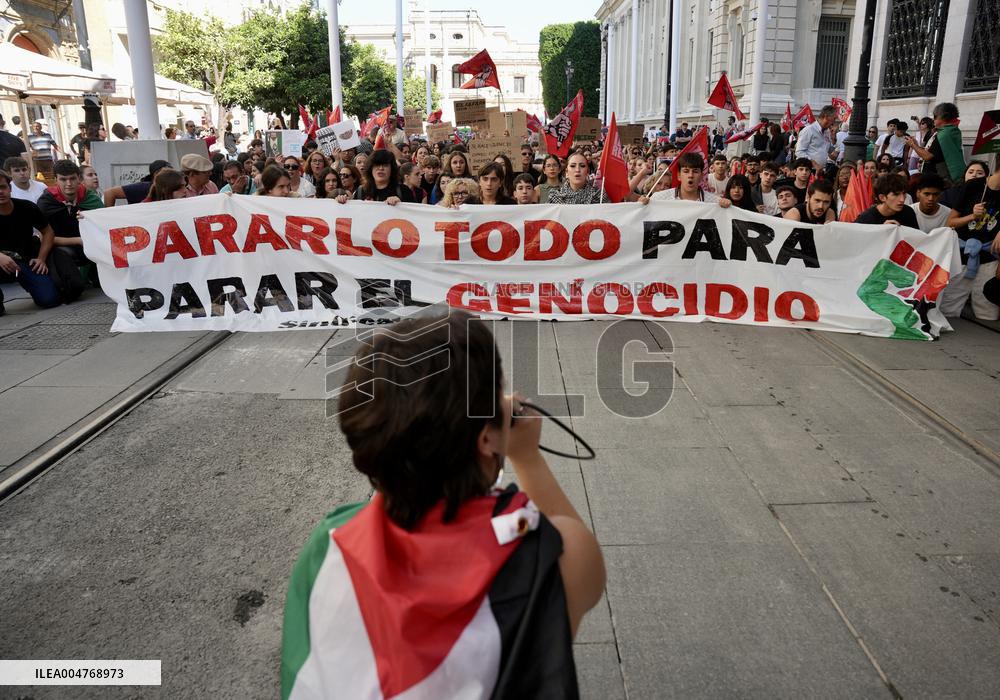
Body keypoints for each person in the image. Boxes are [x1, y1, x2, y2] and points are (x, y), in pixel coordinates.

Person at [280, 311, 605, 699]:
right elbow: (580, 556)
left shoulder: (328, 544)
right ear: (485, 440)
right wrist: (526, 456)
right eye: (496, 389)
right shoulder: (547, 558)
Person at [0, 168, 84, 314]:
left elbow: (48, 231)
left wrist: (41, 258)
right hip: (1, 262)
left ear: (10, 187)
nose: (0, 192)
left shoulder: (26, 207)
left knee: (50, 300)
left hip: (26, 260)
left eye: (2, 187)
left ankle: (32, 283)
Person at [938, 165, 1000, 320]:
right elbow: (950, 223)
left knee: (988, 315)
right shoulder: (973, 186)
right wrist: (972, 216)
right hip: (963, 253)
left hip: (990, 256)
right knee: (948, 310)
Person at [36, 160, 104, 282]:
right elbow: (43, 237)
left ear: (79, 178)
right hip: (61, 247)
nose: (69, 183)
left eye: (72, 178)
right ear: (55, 179)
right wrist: (78, 241)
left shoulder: (91, 198)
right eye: (63, 179)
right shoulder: (46, 202)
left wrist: (88, 220)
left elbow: (104, 227)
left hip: (92, 246)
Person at [651, 153, 720, 203]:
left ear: (701, 176)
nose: (690, 175)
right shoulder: (658, 198)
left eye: (695, 171)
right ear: (679, 175)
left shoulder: (714, 202)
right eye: (686, 171)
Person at [854, 173, 919, 228]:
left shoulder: (908, 213)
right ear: (882, 197)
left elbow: (915, 239)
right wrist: (882, 230)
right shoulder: (865, 219)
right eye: (896, 195)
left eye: (904, 194)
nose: (902, 199)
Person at [103, 160, 171, 206]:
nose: (171, 176)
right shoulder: (143, 187)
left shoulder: (170, 187)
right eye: (169, 173)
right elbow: (109, 193)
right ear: (156, 174)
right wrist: (109, 217)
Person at [795, 105, 837, 171]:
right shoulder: (809, 130)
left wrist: (833, 138)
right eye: (834, 119)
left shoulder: (827, 132)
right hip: (808, 170)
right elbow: (799, 152)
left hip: (821, 170)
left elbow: (829, 151)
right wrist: (813, 163)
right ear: (826, 117)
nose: (834, 122)